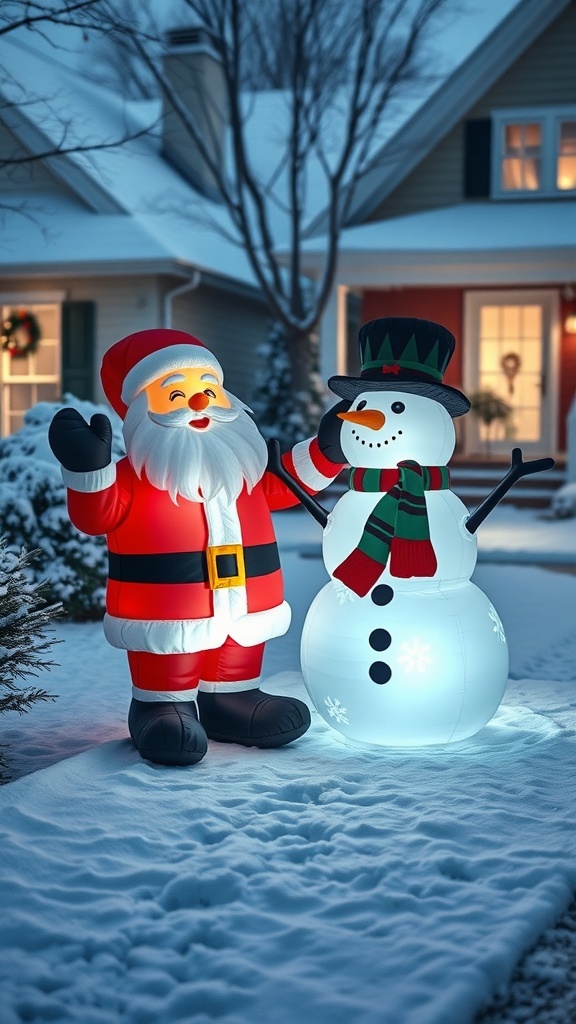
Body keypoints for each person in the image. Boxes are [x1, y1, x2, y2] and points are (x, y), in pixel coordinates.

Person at [48, 328, 345, 767]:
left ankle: (233, 699)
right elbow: (98, 515)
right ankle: (161, 707)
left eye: (209, 389)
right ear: (142, 411)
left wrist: (326, 452)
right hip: (167, 605)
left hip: (248, 599)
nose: (200, 401)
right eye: (176, 394)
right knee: (170, 655)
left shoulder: (244, 469)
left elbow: (286, 483)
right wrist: (88, 469)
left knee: (239, 648)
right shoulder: (134, 478)